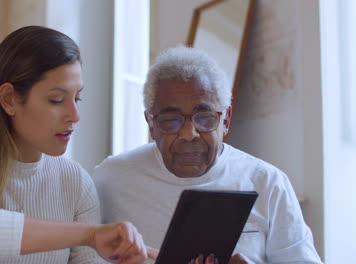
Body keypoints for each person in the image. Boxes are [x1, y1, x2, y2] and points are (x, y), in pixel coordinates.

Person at [0, 26, 156, 264]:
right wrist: (90, 234)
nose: (74, 115)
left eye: (77, 98)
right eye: (56, 100)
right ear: (9, 99)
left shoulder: (75, 182)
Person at [93, 46, 323, 263]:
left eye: (205, 118)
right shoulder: (111, 178)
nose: (188, 134)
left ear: (226, 120)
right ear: (151, 125)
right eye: (171, 121)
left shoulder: (267, 182)